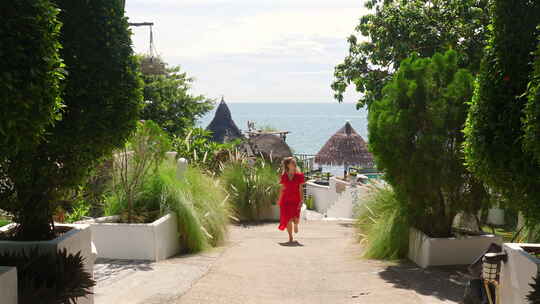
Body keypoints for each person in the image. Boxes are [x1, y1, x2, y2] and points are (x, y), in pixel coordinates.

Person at [278, 157, 305, 242]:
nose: (294, 163)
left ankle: (296, 224)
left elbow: (301, 189)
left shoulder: (299, 176)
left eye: (294, 162)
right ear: (288, 165)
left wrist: (302, 200)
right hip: (285, 201)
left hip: (296, 200)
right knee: (288, 219)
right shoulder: (284, 176)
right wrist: (279, 199)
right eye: (292, 162)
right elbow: (282, 189)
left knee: (295, 218)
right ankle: (290, 236)